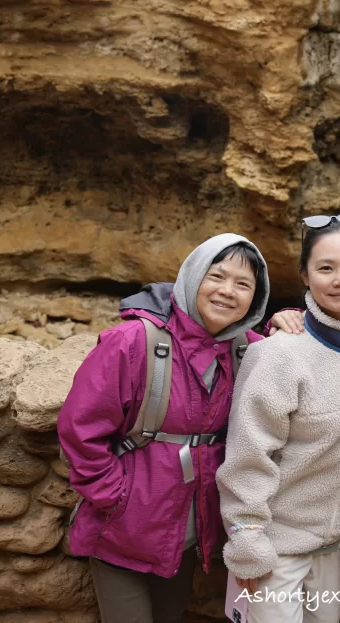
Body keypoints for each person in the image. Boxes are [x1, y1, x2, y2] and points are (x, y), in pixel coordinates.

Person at [58, 233, 271, 623]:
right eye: (217, 276)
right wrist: (115, 499)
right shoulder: (133, 341)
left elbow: (295, 356)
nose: (227, 292)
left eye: (243, 285)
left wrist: (289, 321)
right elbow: (79, 428)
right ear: (192, 277)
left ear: (255, 299)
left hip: (187, 537)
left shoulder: (246, 350)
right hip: (125, 531)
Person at [216, 214, 340, 623]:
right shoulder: (279, 354)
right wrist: (247, 538)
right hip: (274, 545)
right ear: (304, 275)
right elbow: (249, 451)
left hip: (333, 540)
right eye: (325, 268)